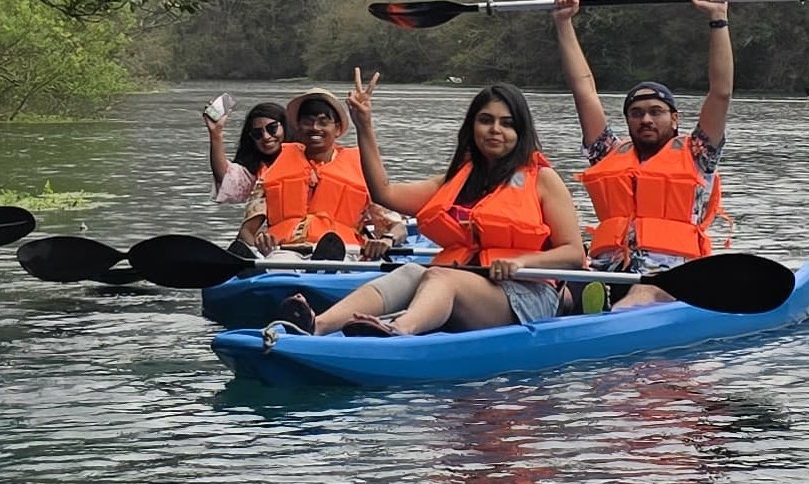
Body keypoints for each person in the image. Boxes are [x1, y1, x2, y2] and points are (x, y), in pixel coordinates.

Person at [309, 78, 587, 336]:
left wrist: (521, 261)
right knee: (411, 272)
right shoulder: (458, 179)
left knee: (441, 275)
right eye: (486, 120)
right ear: (472, 127)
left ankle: (398, 331)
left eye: (507, 123)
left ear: (520, 131)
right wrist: (364, 125)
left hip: (527, 292)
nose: (495, 130)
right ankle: (317, 324)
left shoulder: (543, 179)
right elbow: (385, 193)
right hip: (471, 281)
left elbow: (573, 253)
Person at [552, 0, 731, 301]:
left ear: (675, 119)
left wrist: (718, 19)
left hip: (671, 275)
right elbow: (583, 89)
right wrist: (563, 22)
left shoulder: (698, 153)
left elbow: (720, 92)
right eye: (636, 113)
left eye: (656, 112)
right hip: (607, 269)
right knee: (561, 293)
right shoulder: (606, 151)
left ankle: (613, 320)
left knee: (642, 293)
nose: (646, 119)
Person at [247, 87, 395, 258]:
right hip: (284, 251)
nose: (315, 128)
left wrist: (387, 239)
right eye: (307, 122)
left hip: (344, 252)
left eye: (323, 122)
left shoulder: (363, 169)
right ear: (298, 127)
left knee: (334, 257)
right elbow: (247, 232)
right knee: (282, 259)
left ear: (337, 129)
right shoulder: (273, 170)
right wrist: (260, 246)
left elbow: (395, 225)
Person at [204, 98, 290, 220]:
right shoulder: (253, 173)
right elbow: (225, 177)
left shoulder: (306, 156)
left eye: (272, 128)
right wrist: (215, 134)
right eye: (257, 133)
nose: (266, 137)